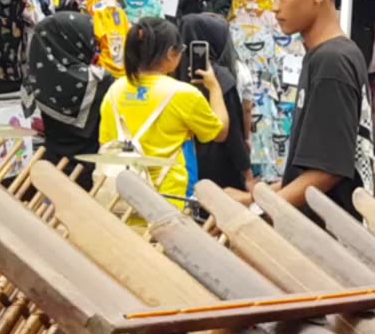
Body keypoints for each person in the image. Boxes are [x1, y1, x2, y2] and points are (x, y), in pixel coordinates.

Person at [228, 0, 374, 221]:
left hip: (333, 239)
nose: (274, 6)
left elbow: (327, 172)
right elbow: (312, 167)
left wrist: (258, 211)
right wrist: (253, 197)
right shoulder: (326, 54)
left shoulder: (332, 61)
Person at [98, 17, 229, 208]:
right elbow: (220, 133)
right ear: (170, 53)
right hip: (169, 201)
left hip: (121, 200)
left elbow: (105, 143)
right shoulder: (183, 94)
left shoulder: (114, 90)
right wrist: (214, 88)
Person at [21, 12, 113, 191]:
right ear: (78, 40)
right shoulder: (101, 79)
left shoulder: (37, 75)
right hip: (88, 170)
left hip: (50, 165)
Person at [176, 13, 253, 194]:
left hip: (180, 163)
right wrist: (247, 172)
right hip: (217, 165)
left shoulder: (171, 72)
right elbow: (232, 131)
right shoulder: (220, 77)